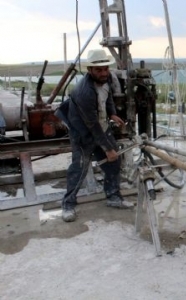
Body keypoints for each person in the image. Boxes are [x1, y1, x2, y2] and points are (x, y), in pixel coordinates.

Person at [59, 49, 133, 222]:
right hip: (83, 132)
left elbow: (108, 99)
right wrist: (107, 148)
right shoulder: (84, 92)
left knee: (114, 163)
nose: (103, 73)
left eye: (105, 68)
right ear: (89, 70)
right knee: (80, 168)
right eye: (98, 70)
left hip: (102, 126)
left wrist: (112, 113)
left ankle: (114, 197)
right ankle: (68, 205)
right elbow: (92, 125)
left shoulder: (106, 80)